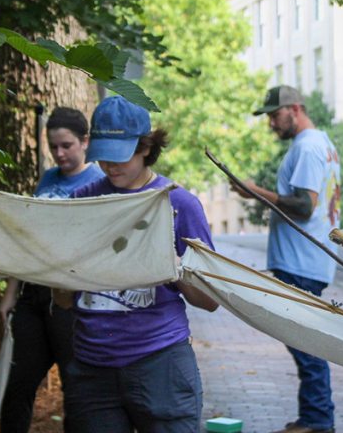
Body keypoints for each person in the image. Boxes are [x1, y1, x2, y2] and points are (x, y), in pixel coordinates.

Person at [63, 95, 219, 433]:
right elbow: (63, 299)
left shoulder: (179, 204)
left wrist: (172, 264)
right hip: (92, 369)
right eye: (103, 156)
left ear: (146, 147)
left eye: (121, 156)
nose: (110, 165)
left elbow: (210, 300)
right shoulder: (80, 202)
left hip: (160, 362)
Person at [231, 85, 342, 433]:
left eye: (274, 116)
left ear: (294, 109)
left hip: (301, 262)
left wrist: (255, 192)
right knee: (304, 341)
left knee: (305, 344)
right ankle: (314, 417)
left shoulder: (308, 147)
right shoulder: (318, 143)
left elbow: (305, 205)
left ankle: (318, 420)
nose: (271, 124)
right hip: (306, 261)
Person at [0, 106, 105, 433]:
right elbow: (29, 238)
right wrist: (10, 294)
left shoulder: (100, 181)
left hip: (72, 300)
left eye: (66, 146)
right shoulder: (47, 179)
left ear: (85, 142)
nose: (59, 153)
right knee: (17, 384)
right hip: (32, 296)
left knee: (75, 387)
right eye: (53, 146)